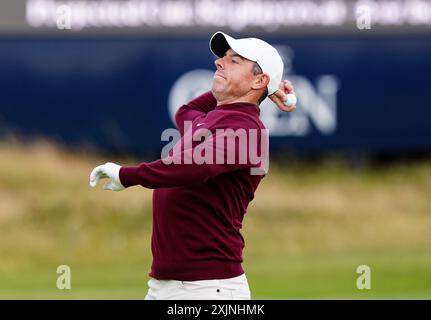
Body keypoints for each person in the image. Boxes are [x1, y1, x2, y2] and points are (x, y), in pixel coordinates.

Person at [89, 31, 297, 300]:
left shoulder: (249, 131)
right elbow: (185, 111)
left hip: (209, 288)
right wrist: (266, 90)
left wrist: (127, 175)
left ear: (259, 78)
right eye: (223, 58)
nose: (219, 63)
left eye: (234, 61)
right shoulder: (210, 120)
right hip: (170, 286)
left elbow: (192, 166)